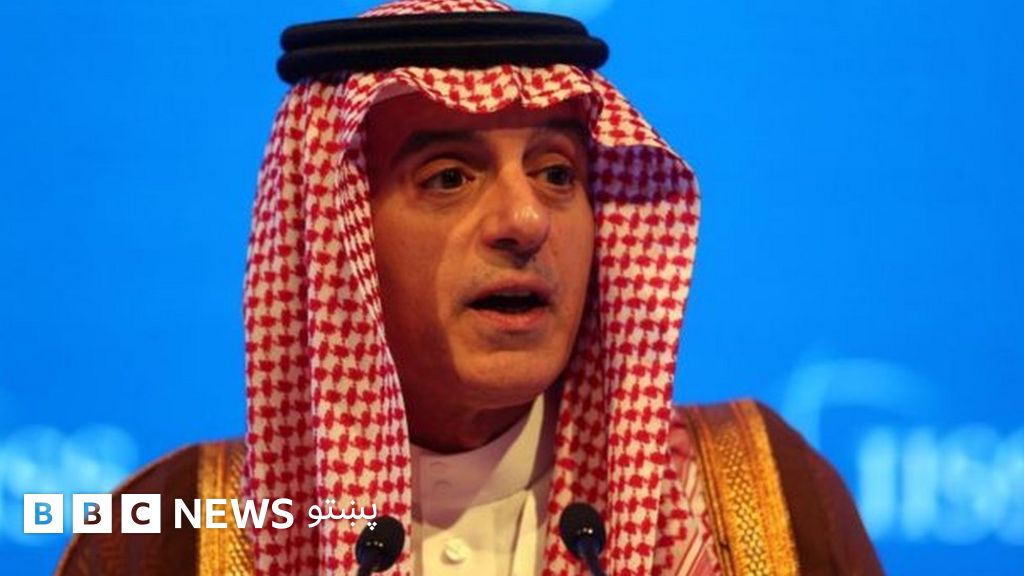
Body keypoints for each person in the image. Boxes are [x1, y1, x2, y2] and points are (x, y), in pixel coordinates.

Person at [57, 0, 883, 574]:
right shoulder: (166, 536)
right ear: (339, 232)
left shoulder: (765, 497)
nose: (526, 219)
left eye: (557, 173)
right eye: (449, 178)